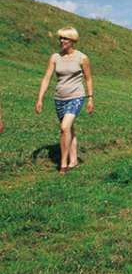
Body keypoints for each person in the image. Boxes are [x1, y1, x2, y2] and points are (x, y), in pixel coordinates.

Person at [35, 27, 94, 174]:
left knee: (64, 128)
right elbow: (47, 77)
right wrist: (40, 98)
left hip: (76, 96)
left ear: (73, 40)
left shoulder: (82, 58)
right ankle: (74, 160)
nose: (62, 41)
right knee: (69, 129)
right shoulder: (55, 57)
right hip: (59, 98)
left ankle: (63, 163)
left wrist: (90, 98)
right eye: (60, 38)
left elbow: (88, 79)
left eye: (65, 38)